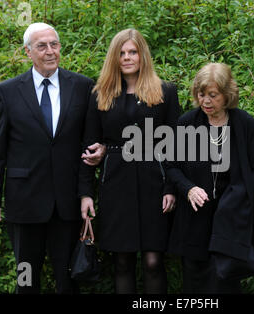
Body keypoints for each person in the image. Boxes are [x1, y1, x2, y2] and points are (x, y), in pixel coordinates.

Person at [0, 22, 103, 293]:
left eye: (54, 44)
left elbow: (89, 147)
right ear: (27, 52)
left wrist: (86, 193)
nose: (50, 51)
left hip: (67, 203)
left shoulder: (83, 87)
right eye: (42, 46)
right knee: (25, 278)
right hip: (24, 203)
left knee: (68, 280)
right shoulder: (8, 91)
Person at [78, 28, 181, 294]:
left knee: (153, 261)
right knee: (122, 261)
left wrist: (171, 188)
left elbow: (175, 147)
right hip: (115, 183)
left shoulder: (165, 92)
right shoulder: (100, 94)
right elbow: (88, 149)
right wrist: (86, 194)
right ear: (114, 57)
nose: (127, 57)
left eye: (132, 52)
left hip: (154, 183)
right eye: (121, 53)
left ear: (142, 54)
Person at [166, 63, 254, 293]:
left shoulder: (245, 124)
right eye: (201, 95)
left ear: (227, 94)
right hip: (194, 220)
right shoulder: (186, 123)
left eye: (213, 95)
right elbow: (171, 166)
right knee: (194, 284)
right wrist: (189, 189)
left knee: (225, 284)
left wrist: (239, 193)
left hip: (231, 222)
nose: (206, 101)